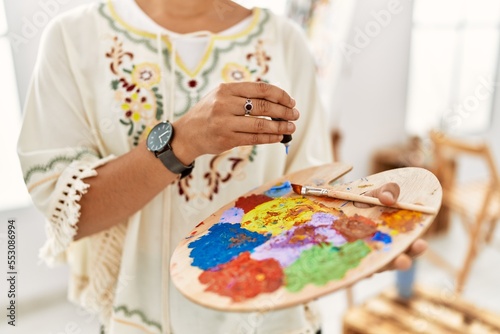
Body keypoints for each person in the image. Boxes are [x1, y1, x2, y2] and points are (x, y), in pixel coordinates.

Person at [17, 0, 426, 333]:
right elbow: (70, 214)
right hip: (140, 317)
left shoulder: (284, 42)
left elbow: (309, 188)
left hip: (272, 317)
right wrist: (181, 143)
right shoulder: (74, 40)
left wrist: (352, 234)